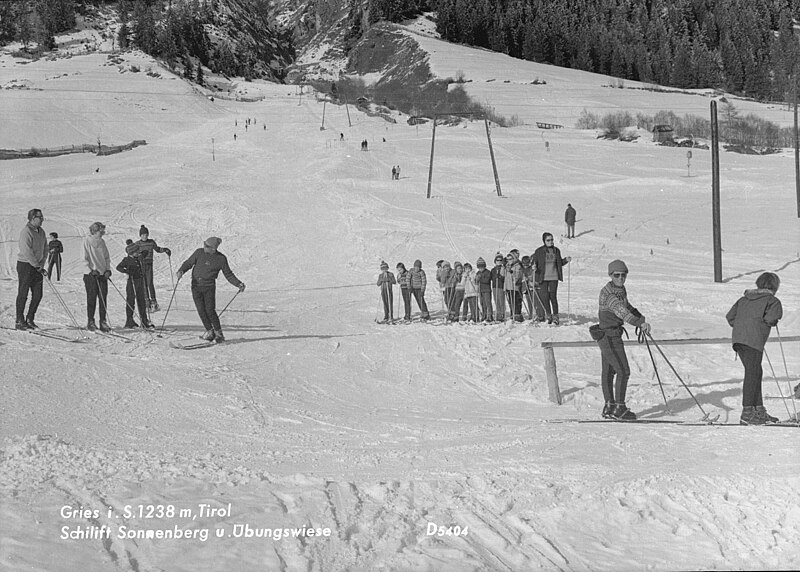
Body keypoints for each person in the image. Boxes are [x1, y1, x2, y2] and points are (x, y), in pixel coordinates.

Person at [726, 272, 783, 425]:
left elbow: (730, 317)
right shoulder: (772, 301)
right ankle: (747, 413)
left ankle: (758, 410)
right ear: (775, 287)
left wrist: (743, 326)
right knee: (753, 373)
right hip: (754, 340)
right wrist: (760, 326)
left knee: (755, 371)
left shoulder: (744, 299)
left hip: (739, 340)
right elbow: (771, 318)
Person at [596, 260, 650, 420]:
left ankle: (609, 406)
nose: (620, 278)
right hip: (609, 335)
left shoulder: (619, 290)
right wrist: (639, 322)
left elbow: (626, 305)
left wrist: (638, 314)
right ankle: (619, 408)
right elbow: (621, 311)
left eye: (623, 275)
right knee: (623, 371)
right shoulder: (608, 293)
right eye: (616, 275)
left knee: (609, 371)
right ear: (610, 275)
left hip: (610, 334)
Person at [177, 237, 245, 342]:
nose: (204, 247)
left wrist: (238, 283)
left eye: (207, 246)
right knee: (201, 310)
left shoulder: (221, 259)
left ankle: (219, 334)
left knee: (210, 310)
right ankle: (210, 331)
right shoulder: (199, 252)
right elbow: (189, 263)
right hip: (195, 285)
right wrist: (181, 270)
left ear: (213, 248)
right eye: (204, 244)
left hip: (209, 287)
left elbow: (228, 274)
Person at [15, 208, 48, 330]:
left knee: (38, 294)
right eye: (40, 217)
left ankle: (30, 318)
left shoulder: (42, 231)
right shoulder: (26, 231)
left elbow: (45, 248)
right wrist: (36, 264)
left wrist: (41, 264)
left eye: (42, 217)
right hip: (25, 265)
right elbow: (26, 251)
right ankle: (19, 320)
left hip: (37, 266)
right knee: (23, 293)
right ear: (32, 218)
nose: (42, 219)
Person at [531, 232, 571, 325]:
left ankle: (556, 316)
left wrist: (565, 260)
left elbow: (559, 262)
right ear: (544, 241)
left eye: (552, 240)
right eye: (548, 240)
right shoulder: (539, 251)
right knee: (545, 297)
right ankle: (548, 315)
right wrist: (534, 267)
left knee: (553, 296)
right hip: (542, 277)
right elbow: (534, 262)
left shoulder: (556, 250)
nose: (551, 242)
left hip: (554, 276)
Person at [116, 241, 153, 329]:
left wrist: (142, 253)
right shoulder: (127, 260)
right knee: (131, 301)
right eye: (136, 251)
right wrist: (126, 271)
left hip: (139, 281)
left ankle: (144, 320)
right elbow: (118, 267)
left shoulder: (138, 258)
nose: (138, 252)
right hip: (131, 282)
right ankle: (129, 321)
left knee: (141, 301)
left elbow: (145, 252)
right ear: (131, 253)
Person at [83, 222, 112, 332]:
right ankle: (91, 321)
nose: (102, 233)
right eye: (101, 231)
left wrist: (108, 270)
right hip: (91, 275)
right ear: (94, 231)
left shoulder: (102, 242)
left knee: (103, 299)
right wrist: (90, 270)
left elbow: (107, 257)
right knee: (91, 299)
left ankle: (103, 321)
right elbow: (83, 258)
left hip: (102, 275)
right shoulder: (87, 242)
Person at [135, 225, 171, 311]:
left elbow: (157, 249)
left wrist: (165, 250)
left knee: (150, 282)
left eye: (146, 234)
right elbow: (133, 253)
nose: (145, 236)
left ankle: (154, 302)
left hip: (149, 265)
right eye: (143, 235)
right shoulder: (138, 244)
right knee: (144, 283)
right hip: (141, 265)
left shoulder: (151, 242)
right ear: (140, 235)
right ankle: (147, 302)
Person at [503, 251, 523, 322]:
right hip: (509, 286)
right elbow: (503, 274)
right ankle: (513, 313)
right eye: (508, 259)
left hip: (515, 286)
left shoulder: (517, 266)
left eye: (511, 259)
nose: (509, 261)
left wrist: (511, 272)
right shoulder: (507, 266)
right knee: (511, 301)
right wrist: (504, 266)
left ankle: (517, 314)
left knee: (516, 301)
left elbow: (517, 276)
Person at [475, 257, 493, 322]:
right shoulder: (478, 273)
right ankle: (484, 315)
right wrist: (476, 280)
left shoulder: (488, 272)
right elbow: (476, 281)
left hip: (487, 290)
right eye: (479, 267)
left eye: (482, 267)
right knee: (482, 303)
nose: (481, 269)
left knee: (488, 303)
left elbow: (487, 280)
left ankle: (489, 316)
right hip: (481, 290)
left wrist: (480, 278)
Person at [490, 253, 506, 322]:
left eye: (500, 260)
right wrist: (494, 277)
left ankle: (502, 314)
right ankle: (498, 313)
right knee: (496, 300)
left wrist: (500, 277)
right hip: (494, 287)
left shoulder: (503, 268)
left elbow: (505, 277)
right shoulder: (493, 270)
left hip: (501, 286)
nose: (499, 261)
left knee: (501, 300)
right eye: (497, 260)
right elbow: (491, 277)